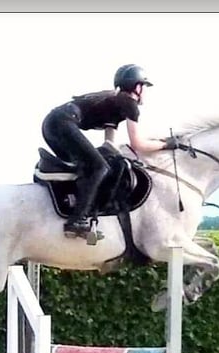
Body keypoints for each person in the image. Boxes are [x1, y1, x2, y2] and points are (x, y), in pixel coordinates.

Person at [41, 64, 177, 240]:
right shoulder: (129, 104)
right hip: (62, 123)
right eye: (144, 87)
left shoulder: (115, 102)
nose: (145, 92)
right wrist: (166, 144)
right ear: (137, 87)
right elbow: (138, 144)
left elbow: (109, 146)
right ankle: (77, 220)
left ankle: (72, 206)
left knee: (91, 166)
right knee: (99, 167)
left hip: (52, 124)